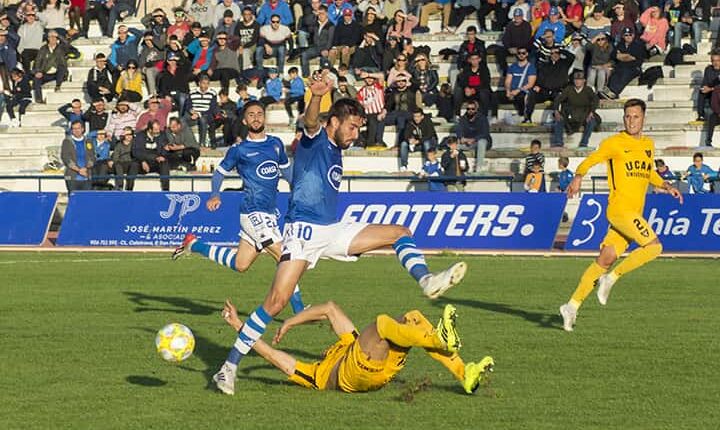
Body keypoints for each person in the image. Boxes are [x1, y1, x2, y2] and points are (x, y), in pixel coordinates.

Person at [211, 80, 468, 395]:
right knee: (276, 303)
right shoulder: (315, 139)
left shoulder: (336, 151)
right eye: (352, 126)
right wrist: (317, 96)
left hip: (331, 229)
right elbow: (309, 121)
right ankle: (229, 367)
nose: (356, 133)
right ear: (332, 122)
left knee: (400, 233)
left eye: (360, 128)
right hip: (302, 234)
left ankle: (426, 279)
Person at [560, 99, 684, 332]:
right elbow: (592, 158)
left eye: (635, 116)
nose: (631, 120)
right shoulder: (614, 143)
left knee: (605, 259)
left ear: (643, 118)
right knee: (654, 247)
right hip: (619, 210)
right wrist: (578, 176)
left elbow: (648, 173)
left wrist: (666, 185)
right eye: (627, 116)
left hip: (632, 213)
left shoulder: (648, 144)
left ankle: (571, 305)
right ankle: (612, 278)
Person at [173, 101, 306, 313]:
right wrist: (215, 195)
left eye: (259, 114)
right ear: (244, 121)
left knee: (241, 264)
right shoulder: (239, 150)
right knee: (285, 257)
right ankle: (299, 309)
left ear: (264, 118)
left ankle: (195, 244)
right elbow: (219, 173)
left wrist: (299, 191)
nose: (256, 118)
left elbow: (286, 172)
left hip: (270, 212)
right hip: (253, 211)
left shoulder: (276, 144)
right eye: (251, 115)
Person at [220, 299, 494, 394]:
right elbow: (272, 356)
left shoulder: (350, 342)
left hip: (377, 370)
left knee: (413, 318)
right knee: (384, 324)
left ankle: (464, 373)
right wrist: (236, 325)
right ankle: (439, 340)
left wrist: (291, 321)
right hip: (350, 376)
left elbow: (329, 309)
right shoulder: (314, 375)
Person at [551, 71, 600, 148]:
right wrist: (556, 110)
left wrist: (592, 112)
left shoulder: (588, 90)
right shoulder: (568, 89)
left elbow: (595, 100)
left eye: (580, 79)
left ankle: (584, 143)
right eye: (576, 79)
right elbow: (558, 99)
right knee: (558, 119)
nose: (577, 81)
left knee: (592, 121)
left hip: (584, 113)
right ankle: (558, 142)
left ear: (584, 81)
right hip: (570, 113)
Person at [600, 27, 645, 100]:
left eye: (630, 35)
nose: (628, 37)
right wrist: (625, 56)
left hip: (634, 68)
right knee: (616, 73)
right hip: (621, 66)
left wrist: (621, 56)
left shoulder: (638, 45)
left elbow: (631, 58)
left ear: (633, 35)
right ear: (623, 36)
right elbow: (614, 55)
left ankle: (614, 92)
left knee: (625, 73)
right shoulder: (620, 45)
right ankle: (609, 91)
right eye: (626, 35)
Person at [131, 119, 170, 191]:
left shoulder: (162, 135)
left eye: (158, 129)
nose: (158, 131)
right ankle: (128, 190)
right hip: (143, 162)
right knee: (134, 164)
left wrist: (163, 156)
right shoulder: (140, 136)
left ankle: (165, 190)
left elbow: (165, 148)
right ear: (149, 129)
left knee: (165, 163)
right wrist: (142, 161)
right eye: (155, 129)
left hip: (156, 162)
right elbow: (135, 151)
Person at [502, 47, 536, 123]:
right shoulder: (512, 66)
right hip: (511, 91)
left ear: (527, 54)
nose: (521, 55)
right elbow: (508, 81)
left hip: (522, 91)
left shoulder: (531, 67)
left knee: (524, 96)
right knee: (494, 96)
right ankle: (494, 117)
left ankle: (523, 116)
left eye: (523, 53)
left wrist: (518, 90)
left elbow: (530, 84)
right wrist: (508, 91)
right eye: (519, 53)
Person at [184, 73, 218, 147]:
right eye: (203, 83)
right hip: (193, 114)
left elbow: (212, 109)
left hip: (205, 114)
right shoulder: (192, 92)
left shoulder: (212, 93)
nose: (205, 86)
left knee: (203, 120)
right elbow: (188, 106)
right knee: (181, 120)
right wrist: (191, 111)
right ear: (199, 83)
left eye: (207, 84)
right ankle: (188, 142)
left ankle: (202, 143)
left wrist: (198, 114)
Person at [456, 100, 492, 172]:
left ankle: (479, 168)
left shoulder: (482, 118)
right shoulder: (462, 119)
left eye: (472, 109)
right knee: (454, 146)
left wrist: (474, 139)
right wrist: (462, 138)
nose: (470, 111)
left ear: (476, 109)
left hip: (481, 142)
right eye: (468, 109)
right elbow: (459, 132)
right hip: (468, 143)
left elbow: (485, 133)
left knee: (482, 142)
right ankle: (461, 169)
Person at [32, 29, 67, 103]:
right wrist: (38, 71)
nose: (53, 39)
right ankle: (39, 99)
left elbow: (67, 43)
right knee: (36, 79)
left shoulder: (61, 47)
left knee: (62, 68)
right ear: (48, 38)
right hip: (46, 72)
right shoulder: (43, 48)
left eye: (54, 37)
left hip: (57, 73)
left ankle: (58, 86)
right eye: (51, 37)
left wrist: (58, 35)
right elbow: (38, 61)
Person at [61, 120, 95, 191]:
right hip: (71, 176)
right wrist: (79, 170)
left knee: (86, 199)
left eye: (78, 128)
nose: (76, 130)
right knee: (73, 199)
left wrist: (85, 168)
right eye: (74, 129)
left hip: (87, 175)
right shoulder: (67, 141)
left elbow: (92, 156)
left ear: (82, 129)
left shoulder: (88, 141)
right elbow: (66, 158)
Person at [300, 6, 334, 77]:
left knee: (324, 59)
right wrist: (314, 16)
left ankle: (323, 78)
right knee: (304, 54)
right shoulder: (316, 23)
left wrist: (326, 49)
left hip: (324, 47)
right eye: (319, 14)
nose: (321, 16)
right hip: (315, 48)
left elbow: (330, 39)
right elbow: (307, 23)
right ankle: (306, 76)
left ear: (327, 14)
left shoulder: (330, 25)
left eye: (322, 14)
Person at [697, 50, 720, 123]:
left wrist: (711, 89)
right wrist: (705, 88)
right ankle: (701, 115)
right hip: (711, 92)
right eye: (713, 61)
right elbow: (705, 82)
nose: (715, 63)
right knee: (701, 91)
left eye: (718, 60)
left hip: (718, 93)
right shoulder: (708, 69)